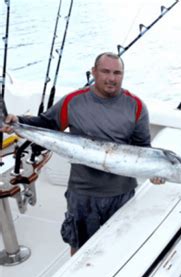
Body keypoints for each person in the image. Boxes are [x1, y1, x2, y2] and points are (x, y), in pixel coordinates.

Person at [1, 52, 163, 255]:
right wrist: (18, 122)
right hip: (83, 193)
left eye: (117, 73)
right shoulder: (73, 101)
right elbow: (48, 124)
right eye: (105, 71)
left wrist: (155, 171)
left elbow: (142, 148)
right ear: (93, 72)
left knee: (120, 247)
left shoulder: (136, 106)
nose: (111, 78)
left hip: (122, 193)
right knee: (79, 247)